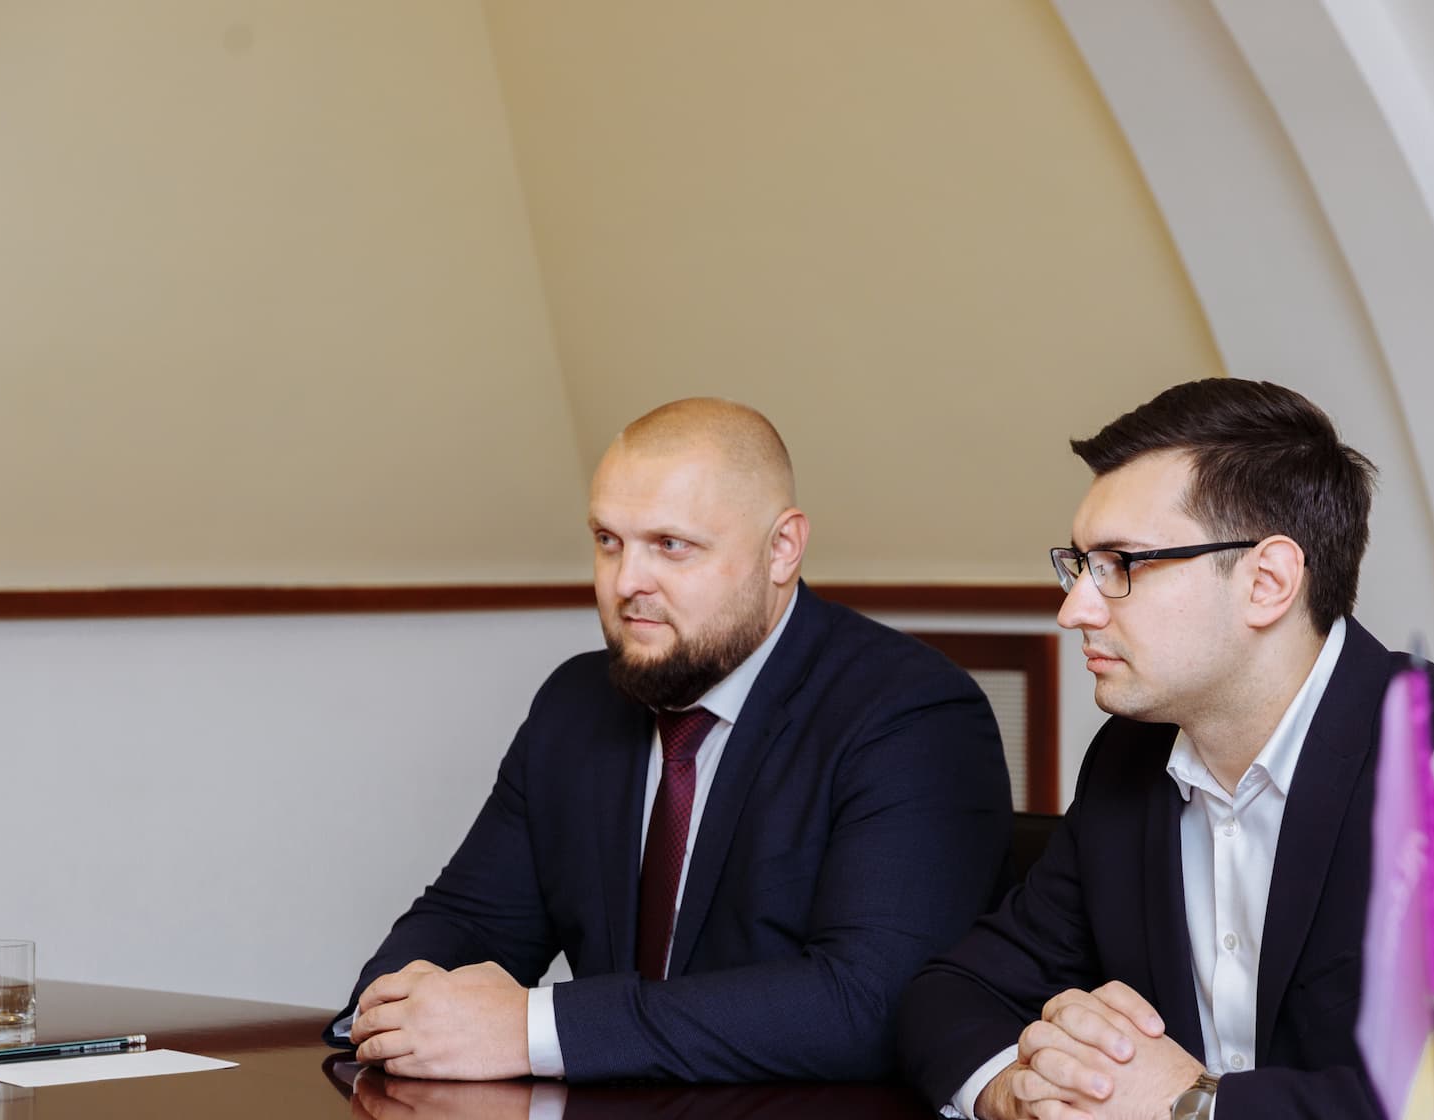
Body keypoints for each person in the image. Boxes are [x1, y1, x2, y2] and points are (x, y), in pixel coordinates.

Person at [895, 377, 1434, 1120]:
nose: (1074, 608)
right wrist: (1025, 1086)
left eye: (1120, 566)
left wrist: (1195, 1114)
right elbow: (954, 992)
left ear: (1267, 581)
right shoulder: (1127, 761)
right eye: (1079, 565)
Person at [336, 397, 1012, 1083]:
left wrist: (534, 1028)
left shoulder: (909, 713)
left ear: (782, 549)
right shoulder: (576, 703)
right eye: (608, 541)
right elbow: (470, 920)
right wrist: (393, 1009)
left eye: (671, 545)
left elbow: (867, 1003)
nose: (627, 582)